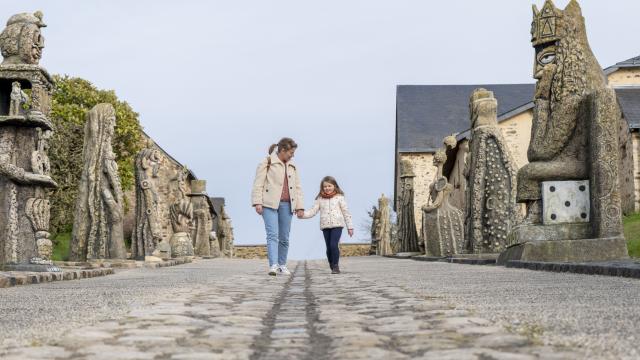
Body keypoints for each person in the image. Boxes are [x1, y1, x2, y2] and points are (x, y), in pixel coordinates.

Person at [252, 137, 305, 276]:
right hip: (269, 204)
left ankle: (282, 264)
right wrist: (257, 202)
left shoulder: (293, 166)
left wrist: (300, 206)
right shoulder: (267, 162)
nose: (292, 155)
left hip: (288, 205)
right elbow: (258, 184)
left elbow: (298, 188)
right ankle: (273, 265)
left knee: (285, 237)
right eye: (291, 152)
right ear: (282, 150)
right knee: (272, 235)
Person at [300, 176, 353, 274]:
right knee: (328, 247)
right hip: (325, 226)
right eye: (325, 187)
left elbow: (346, 212)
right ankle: (331, 264)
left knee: (333, 245)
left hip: (337, 225)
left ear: (334, 186)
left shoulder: (340, 198)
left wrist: (350, 227)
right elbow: (312, 211)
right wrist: (302, 215)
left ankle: (336, 266)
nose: (327, 188)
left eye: (329, 186)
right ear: (322, 188)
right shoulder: (320, 199)